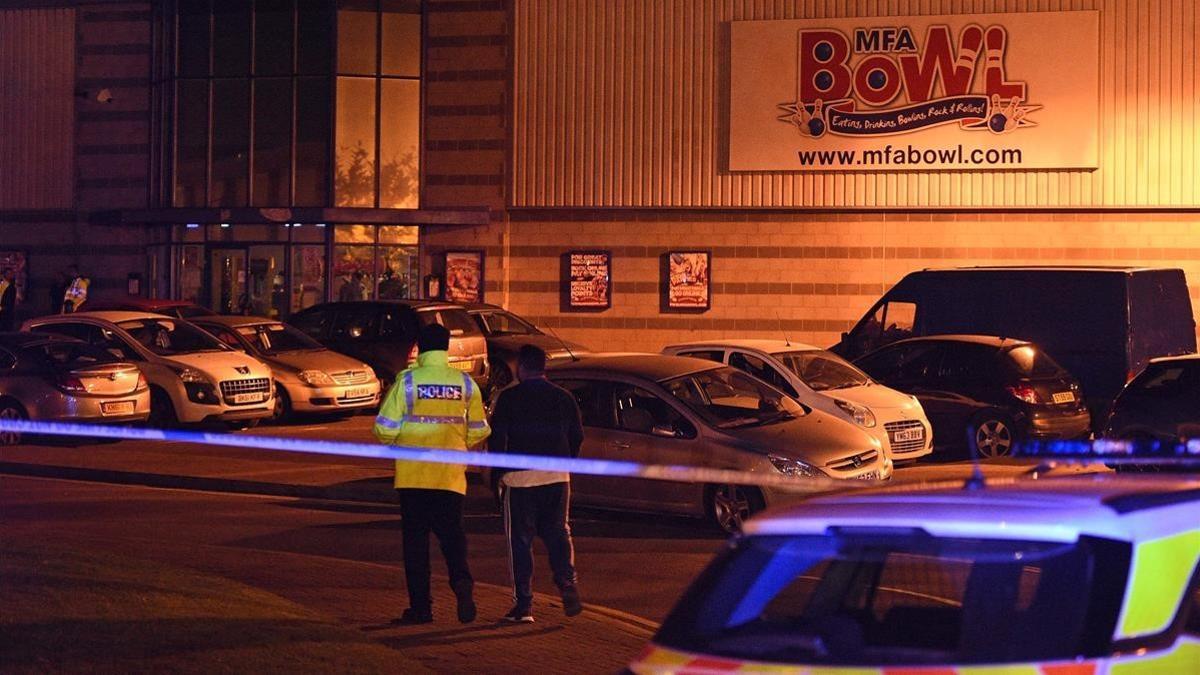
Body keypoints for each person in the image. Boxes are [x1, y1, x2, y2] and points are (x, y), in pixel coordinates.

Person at [374, 323, 490, 625]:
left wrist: (401, 442)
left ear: (420, 348)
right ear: (446, 348)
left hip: (413, 478)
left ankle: (421, 609)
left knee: (416, 547)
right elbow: (479, 430)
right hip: (450, 478)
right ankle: (462, 585)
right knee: (452, 539)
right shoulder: (465, 384)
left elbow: (384, 428)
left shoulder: (408, 382)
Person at [488, 344, 584, 623]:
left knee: (520, 541)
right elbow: (577, 435)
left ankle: (524, 605)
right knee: (559, 533)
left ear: (522, 367)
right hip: (556, 475)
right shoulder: (564, 398)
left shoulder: (509, 399)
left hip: (520, 479)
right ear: (543, 367)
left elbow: (498, 440)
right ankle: (566, 582)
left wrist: (498, 476)